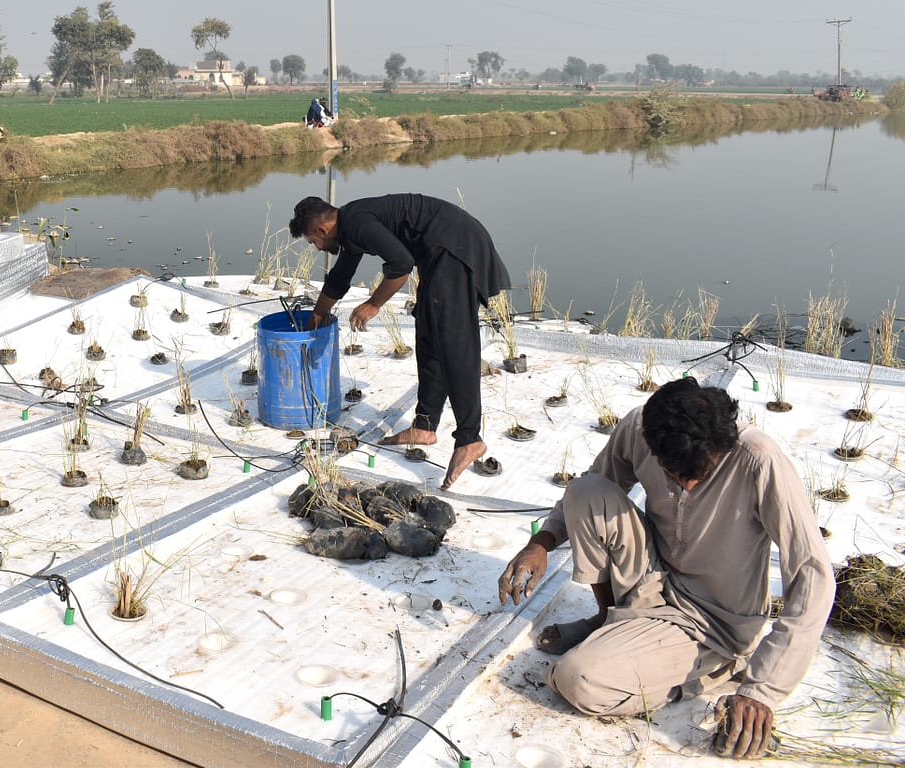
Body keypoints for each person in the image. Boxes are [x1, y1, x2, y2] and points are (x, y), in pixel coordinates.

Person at [497, 377, 834, 759]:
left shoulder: (759, 460)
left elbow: (814, 574)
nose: (689, 484)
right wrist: (540, 543)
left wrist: (762, 690)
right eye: (677, 474)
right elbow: (594, 486)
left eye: (700, 474)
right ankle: (610, 620)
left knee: (575, 679)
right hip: (653, 578)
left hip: (712, 622)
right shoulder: (640, 427)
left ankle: (719, 664)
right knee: (588, 491)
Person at [288, 194, 511, 489]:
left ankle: (470, 439)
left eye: (312, 242)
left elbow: (402, 265)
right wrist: (318, 314)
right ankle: (424, 426)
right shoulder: (350, 225)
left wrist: (373, 304)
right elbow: (341, 275)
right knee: (429, 335)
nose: (316, 248)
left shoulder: (356, 223)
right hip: (438, 255)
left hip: (455, 248)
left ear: (322, 230)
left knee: (454, 344)